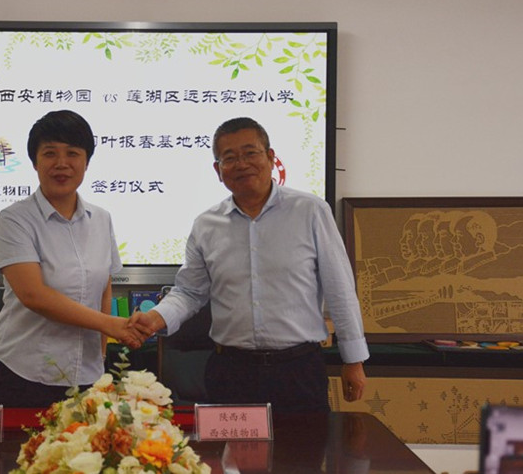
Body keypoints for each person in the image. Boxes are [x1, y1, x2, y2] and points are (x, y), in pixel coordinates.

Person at [130, 117, 369, 416]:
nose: (241, 164)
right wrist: (156, 318)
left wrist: (354, 360)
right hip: (232, 372)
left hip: (298, 371)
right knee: (231, 449)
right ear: (218, 170)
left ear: (270, 157)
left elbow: (340, 288)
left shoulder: (311, 211)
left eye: (250, 153)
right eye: (229, 158)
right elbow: (190, 292)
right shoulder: (206, 225)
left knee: (306, 447)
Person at [0, 110, 146, 408]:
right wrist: (111, 324)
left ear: (86, 162)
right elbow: (34, 295)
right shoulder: (14, 219)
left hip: (87, 373)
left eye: (72, 153)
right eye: (50, 153)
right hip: (21, 372)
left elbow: (103, 287)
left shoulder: (101, 219)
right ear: (35, 162)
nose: (61, 163)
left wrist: (101, 356)